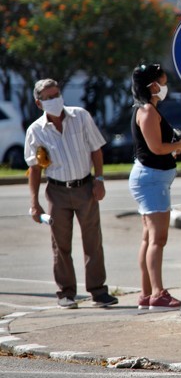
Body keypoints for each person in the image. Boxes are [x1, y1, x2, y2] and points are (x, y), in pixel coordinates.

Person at [24, 78, 118, 309]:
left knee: (93, 241)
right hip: (57, 191)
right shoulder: (36, 130)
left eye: (57, 94)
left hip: (85, 187)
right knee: (60, 244)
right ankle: (66, 293)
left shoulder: (80, 116)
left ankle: (98, 291)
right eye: (48, 97)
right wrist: (34, 203)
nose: (55, 100)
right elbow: (34, 169)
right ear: (39, 103)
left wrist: (99, 179)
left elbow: (96, 149)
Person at [128, 64, 181, 310]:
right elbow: (156, 148)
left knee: (149, 238)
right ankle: (157, 294)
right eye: (162, 82)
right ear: (153, 85)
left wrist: (172, 147)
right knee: (158, 239)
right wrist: (179, 145)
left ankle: (146, 293)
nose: (165, 87)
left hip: (152, 177)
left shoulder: (148, 109)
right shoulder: (148, 111)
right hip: (151, 179)